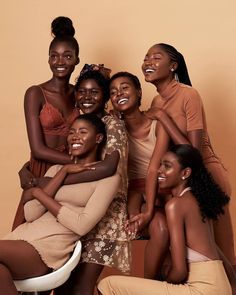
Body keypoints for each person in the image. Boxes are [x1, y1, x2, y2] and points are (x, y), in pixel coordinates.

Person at [0, 114, 121, 295]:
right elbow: (32, 214)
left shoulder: (109, 179)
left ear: (98, 138)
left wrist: (38, 192)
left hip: (45, 250)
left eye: (82, 131)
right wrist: (63, 172)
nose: (75, 136)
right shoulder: (56, 170)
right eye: (72, 132)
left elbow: (81, 225)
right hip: (18, 241)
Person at [142, 43, 236, 266]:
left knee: (224, 256)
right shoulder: (157, 101)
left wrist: (163, 117)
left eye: (156, 58)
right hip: (183, 182)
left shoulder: (189, 94)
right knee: (200, 258)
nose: (148, 62)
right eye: (146, 58)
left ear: (173, 65)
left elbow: (194, 153)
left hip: (206, 177)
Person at [98, 144, 233, 295]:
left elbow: (180, 272)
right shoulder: (197, 201)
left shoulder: (175, 205)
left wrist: (161, 284)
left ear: (185, 173)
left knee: (107, 285)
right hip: (221, 286)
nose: (159, 170)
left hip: (202, 289)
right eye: (160, 164)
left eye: (167, 166)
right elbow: (221, 258)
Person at [54, 68, 130, 295]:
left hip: (106, 212)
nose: (87, 97)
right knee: (63, 283)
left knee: (83, 286)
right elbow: (63, 157)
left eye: (94, 92)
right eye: (82, 92)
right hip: (79, 208)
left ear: (106, 97)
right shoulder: (78, 126)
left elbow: (108, 168)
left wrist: (57, 181)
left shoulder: (112, 125)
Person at [13, 16, 80, 229]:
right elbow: (38, 148)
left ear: (77, 60)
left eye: (67, 56)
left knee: (67, 232)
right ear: (48, 59)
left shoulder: (80, 94)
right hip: (44, 170)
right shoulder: (35, 93)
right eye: (54, 56)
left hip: (71, 174)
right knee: (29, 231)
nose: (60, 62)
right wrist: (76, 163)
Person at [109, 71, 170, 278]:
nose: (119, 93)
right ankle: (148, 286)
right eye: (113, 92)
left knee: (175, 226)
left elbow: (154, 168)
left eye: (125, 87)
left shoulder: (158, 124)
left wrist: (150, 209)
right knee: (160, 229)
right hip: (136, 195)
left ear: (139, 91)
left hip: (163, 189)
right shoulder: (114, 130)